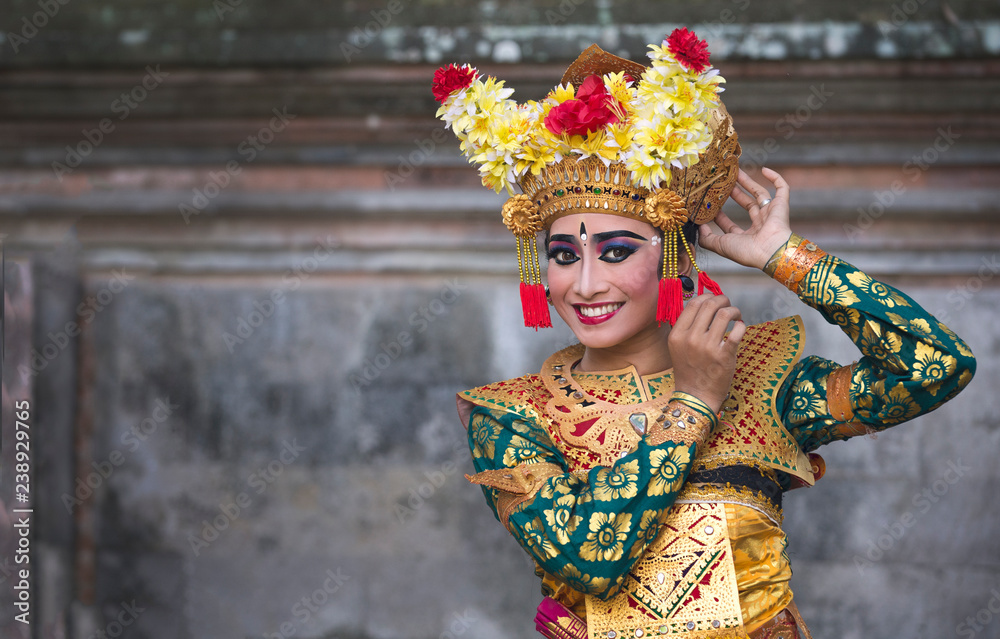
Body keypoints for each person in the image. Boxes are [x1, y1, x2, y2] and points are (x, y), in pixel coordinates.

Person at [434, 30, 976, 639]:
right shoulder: (513, 416)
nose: (584, 284)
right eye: (563, 255)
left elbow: (937, 366)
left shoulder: (762, 385)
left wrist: (785, 257)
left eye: (615, 252)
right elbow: (588, 561)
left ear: (678, 260)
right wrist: (693, 404)